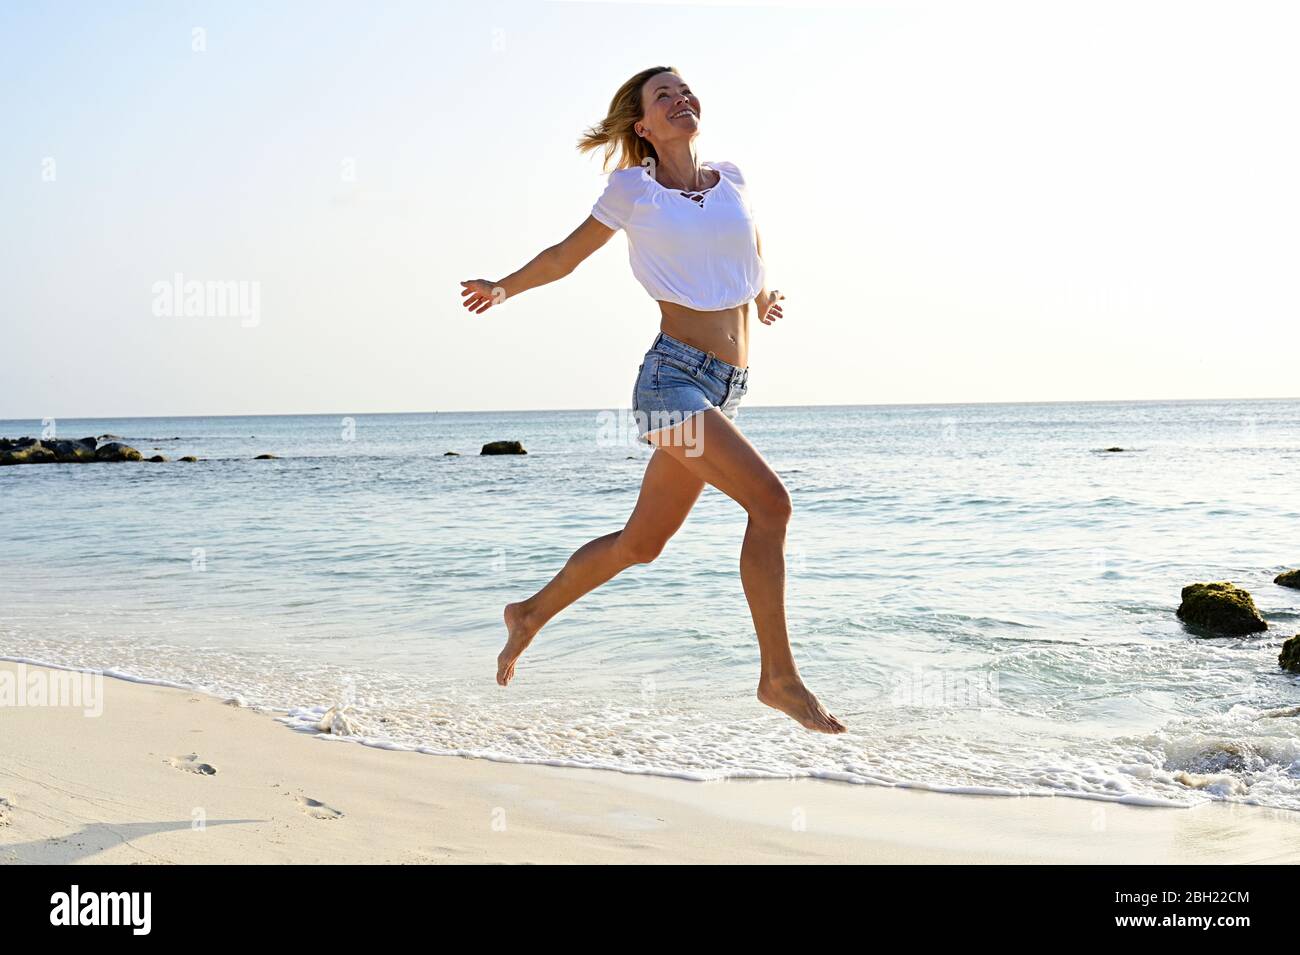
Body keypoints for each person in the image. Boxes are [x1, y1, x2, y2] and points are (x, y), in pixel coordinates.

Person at [460, 66, 845, 734]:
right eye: (663, 95)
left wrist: (762, 296)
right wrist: (503, 287)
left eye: (685, 90)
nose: (680, 98)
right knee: (771, 502)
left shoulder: (732, 178)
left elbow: (745, 245)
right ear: (642, 127)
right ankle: (778, 677)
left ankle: (528, 613)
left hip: (725, 389)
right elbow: (565, 256)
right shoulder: (634, 189)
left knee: (643, 543)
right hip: (672, 384)